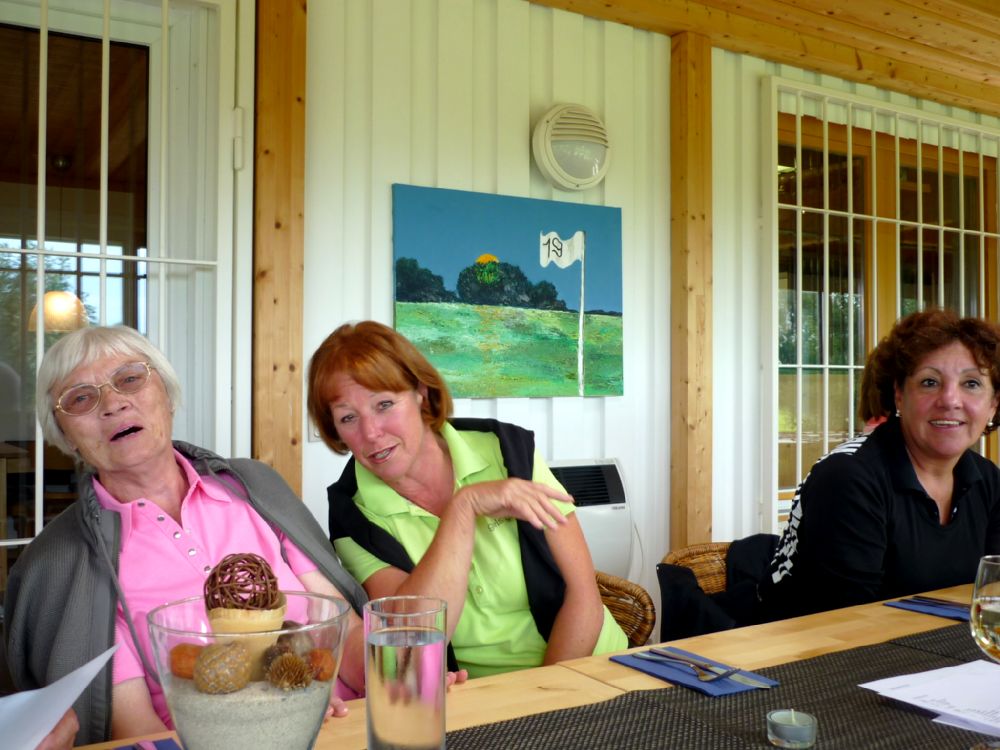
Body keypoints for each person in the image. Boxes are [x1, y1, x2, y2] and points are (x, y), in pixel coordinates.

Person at [3, 325, 368, 746]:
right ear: (65, 435)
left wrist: (402, 684)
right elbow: (137, 731)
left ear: (168, 394)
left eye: (130, 379)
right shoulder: (78, 561)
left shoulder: (252, 489)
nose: (114, 404)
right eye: (81, 398)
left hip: (348, 727)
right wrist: (278, 720)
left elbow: (345, 630)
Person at [307, 320, 628, 678]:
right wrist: (464, 506)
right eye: (348, 418)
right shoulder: (352, 515)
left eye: (384, 404)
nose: (370, 433)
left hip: (591, 664)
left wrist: (546, 696)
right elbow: (411, 642)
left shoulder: (509, 452)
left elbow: (585, 597)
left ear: (420, 392)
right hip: (483, 696)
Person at [757, 307, 1000, 621]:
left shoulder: (989, 479)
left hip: (931, 642)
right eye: (929, 382)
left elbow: (993, 594)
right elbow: (851, 622)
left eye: (972, 384)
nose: (950, 400)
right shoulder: (848, 478)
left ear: (994, 404)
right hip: (798, 645)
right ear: (899, 395)